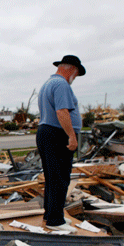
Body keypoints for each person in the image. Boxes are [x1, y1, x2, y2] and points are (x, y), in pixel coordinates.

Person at [36, 55, 86, 233]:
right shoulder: (62, 84)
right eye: (76, 74)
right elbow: (62, 112)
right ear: (72, 69)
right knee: (60, 177)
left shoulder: (48, 83)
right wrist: (72, 136)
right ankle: (55, 221)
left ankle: (50, 215)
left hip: (46, 132)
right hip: (57, 134)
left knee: (52, 177)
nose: (75, 79)